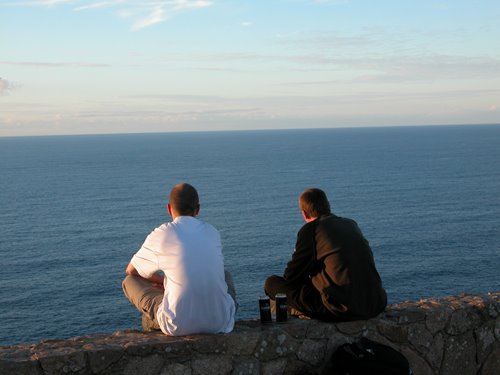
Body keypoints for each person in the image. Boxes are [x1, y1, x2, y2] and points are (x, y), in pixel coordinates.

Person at [122, 183, 236, 336]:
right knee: (225, 275)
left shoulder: (162, 233)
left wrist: (161, 281)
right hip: (220, 322)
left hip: (177, 325)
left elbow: (131, 270)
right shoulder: (212, 232)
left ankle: (155, 321)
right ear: (198, 209)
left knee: (129, 281)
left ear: (169, 209)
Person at [264, 188, 387, 321]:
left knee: (272, 284)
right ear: (328, 206)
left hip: (341, 308)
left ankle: (294, 313)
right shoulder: (350, 224)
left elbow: (291, 277)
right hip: (375, 303)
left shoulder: (311, 230)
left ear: (304, 214)